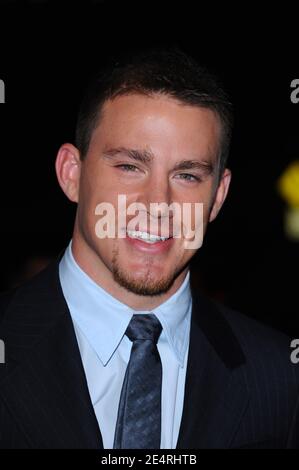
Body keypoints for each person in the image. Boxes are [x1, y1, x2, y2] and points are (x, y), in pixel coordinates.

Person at [0, 47, 298, 449]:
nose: (158, 204)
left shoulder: (281, 379)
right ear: (72, 174)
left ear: (219, 195)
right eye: (129, 166)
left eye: (188, 175)